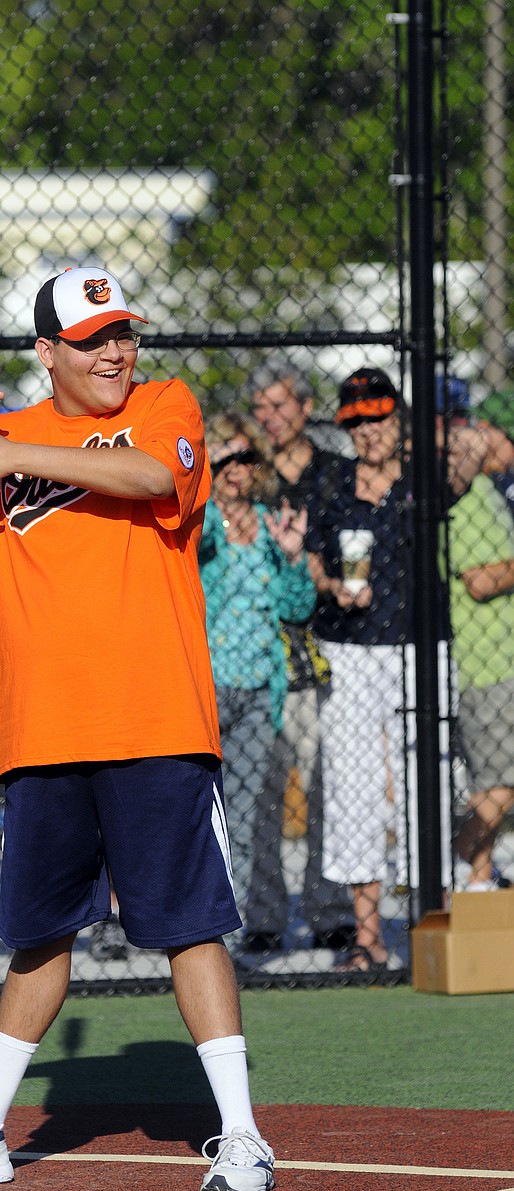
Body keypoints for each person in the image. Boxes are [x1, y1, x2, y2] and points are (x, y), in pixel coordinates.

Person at [0, 266, 275, 1191]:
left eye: (122, 333)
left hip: (153, 716)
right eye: (92, 340)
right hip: (41, 732)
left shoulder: (166, 404)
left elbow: (149, 475)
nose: (115, 352)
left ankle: (242, 1135)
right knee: (41, 937)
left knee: (190, 924)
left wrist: (18, 460)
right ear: (47, 352)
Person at [244, 357, 355, 953]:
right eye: (262, 409)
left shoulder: (335, 473)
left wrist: (324, 574)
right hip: (261, 656)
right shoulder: (251, 476)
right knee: (262, 790)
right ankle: (263, 915)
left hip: (319, 651)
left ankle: (328, 908)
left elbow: (356, 551)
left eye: (281, 406)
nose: (270, 418)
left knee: (321, 788)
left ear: (306, 409)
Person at [305, 368, 412, 973]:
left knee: (424, 776)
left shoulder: (427, 479)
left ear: (399, 417)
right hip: (347, 645)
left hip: (421, 642)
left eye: (379, 417)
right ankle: (367, 936)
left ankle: (432, 919)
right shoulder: (334, 482)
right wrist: (331, 587)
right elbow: (318, 561)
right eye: (358, 421)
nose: (370, 430)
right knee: (353, 785)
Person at [199, 410, 315, 934]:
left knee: (241, 820)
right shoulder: (197, 521)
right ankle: (161, 923)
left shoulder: (273, 524)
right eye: (226, 456)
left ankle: (228, 932)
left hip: (255, 694)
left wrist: (292, 558)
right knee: (182, 816)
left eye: (246, 456)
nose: (236, 468)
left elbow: (297, 607)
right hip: (200, 688)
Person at [445, 464, 514, 889]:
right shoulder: (459, 502)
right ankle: (455, 860)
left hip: (504, 657)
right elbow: (480, 580)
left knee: (496, 781)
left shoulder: (489, 489)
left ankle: (477, 876)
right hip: (486, 665)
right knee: (498, 782)